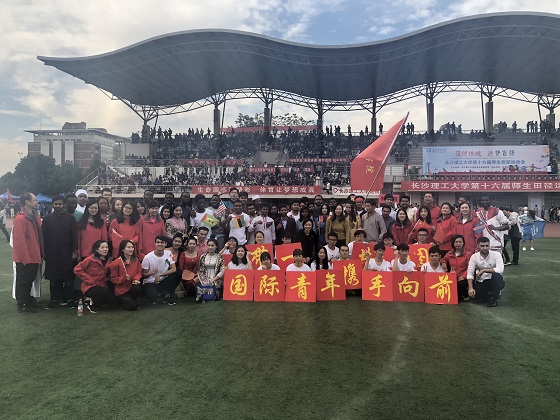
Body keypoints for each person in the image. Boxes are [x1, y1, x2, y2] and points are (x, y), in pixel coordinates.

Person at [42, 195, 78, 309]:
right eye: (56, 204)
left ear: (64, 205)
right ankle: (54, 299)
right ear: (53, 205)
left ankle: (69, 299)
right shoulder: (47, 219)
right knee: (53, 278)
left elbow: (74, 236)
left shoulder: (70, 218)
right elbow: (44, 237)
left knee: (69, 278)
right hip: (52, 253)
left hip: (67, 252)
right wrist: (44, 252)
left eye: (60, 204)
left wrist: (74, 251)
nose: (58, 206)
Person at [12, 193, 44, 313]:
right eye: (34, 200)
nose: (37, 202)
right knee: (23, 280)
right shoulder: (21, 219)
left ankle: (27, 299)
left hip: (34, 254)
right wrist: (25, 258)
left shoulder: (33, 216)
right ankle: (22, 303)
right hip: (26, 256)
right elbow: (20, 241)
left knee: (29, 279)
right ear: (27, 202)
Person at [74, 240, 116, 313]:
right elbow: (77, 269)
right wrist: (89, 280)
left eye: (106, 247)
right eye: (102, 247)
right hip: (90, 286)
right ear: (96, 249)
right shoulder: (90, 259)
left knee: (114, 302)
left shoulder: (109, 259)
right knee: (103, 291)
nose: (105, 249)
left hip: (102, 285)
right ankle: (92, 305)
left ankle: (91, 299)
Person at [467, 237, 505, 307]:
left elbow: (500, 269)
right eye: (482, 246)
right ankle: (489, 294)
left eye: (487, 246)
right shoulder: (474, 257)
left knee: (496, 275)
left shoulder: (496, 254)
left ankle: (494, 298)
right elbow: (470, 273)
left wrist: (484, 270)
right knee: (477, 297)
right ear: (478, 246)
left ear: (489, 245)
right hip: (482, 280)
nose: (485, 248)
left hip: (494, 280)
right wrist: (470, 288)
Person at [141, 235, 178, 305]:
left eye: (162, 242)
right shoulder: (147, 257)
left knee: (177, 274)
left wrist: (160, 275)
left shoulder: (169, 253)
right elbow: (143, 275)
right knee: (152, 297)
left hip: (162, 280)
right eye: (158, 242)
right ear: (155, 243)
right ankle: (156, 293)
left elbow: (174, 269)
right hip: (150, 282)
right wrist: (150, 273)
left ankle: (167, 295)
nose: (160, 244)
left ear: (165, 244)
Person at [108, 240, 142, 311]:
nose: (131, 249)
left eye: (132, 247)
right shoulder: (116, 263)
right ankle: (120, 301)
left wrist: (136, 279)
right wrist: (123, 278)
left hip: (131, 286)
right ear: (123, 249)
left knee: (138, 288)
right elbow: (113, 279)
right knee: (132, 307)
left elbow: (139, 271)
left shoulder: (135, 260)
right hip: (121, 290)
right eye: (128, 247)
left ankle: (130, 300)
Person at [442, 234, 472, 301]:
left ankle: (466, 295)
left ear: (463, 243)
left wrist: (463, 276)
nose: (458, 244)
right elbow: (443, 259)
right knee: (457, 298)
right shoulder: (449, 254)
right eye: (456, 242)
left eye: (460, 242)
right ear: (453, 243)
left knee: (461, 284)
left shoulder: (468, 254)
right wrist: (443, 263)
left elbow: (470, 267)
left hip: (463, 277)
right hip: (452, 277)